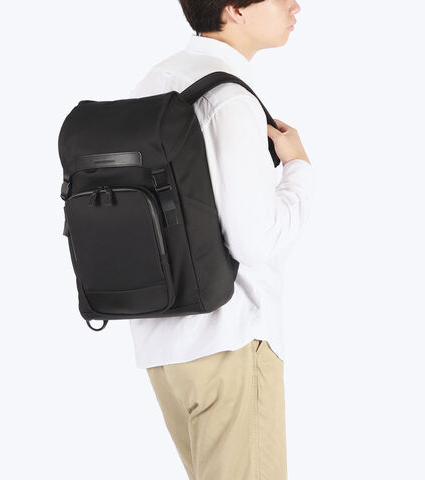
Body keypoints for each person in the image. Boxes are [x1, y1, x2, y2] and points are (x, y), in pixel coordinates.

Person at [128, 1, 312, 478]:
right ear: (235, 10)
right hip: (230, 341)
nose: (295, 6)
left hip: (165, 349)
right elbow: (255, 242)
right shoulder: (228, 98)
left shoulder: (155, 81)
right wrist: (298, 169)